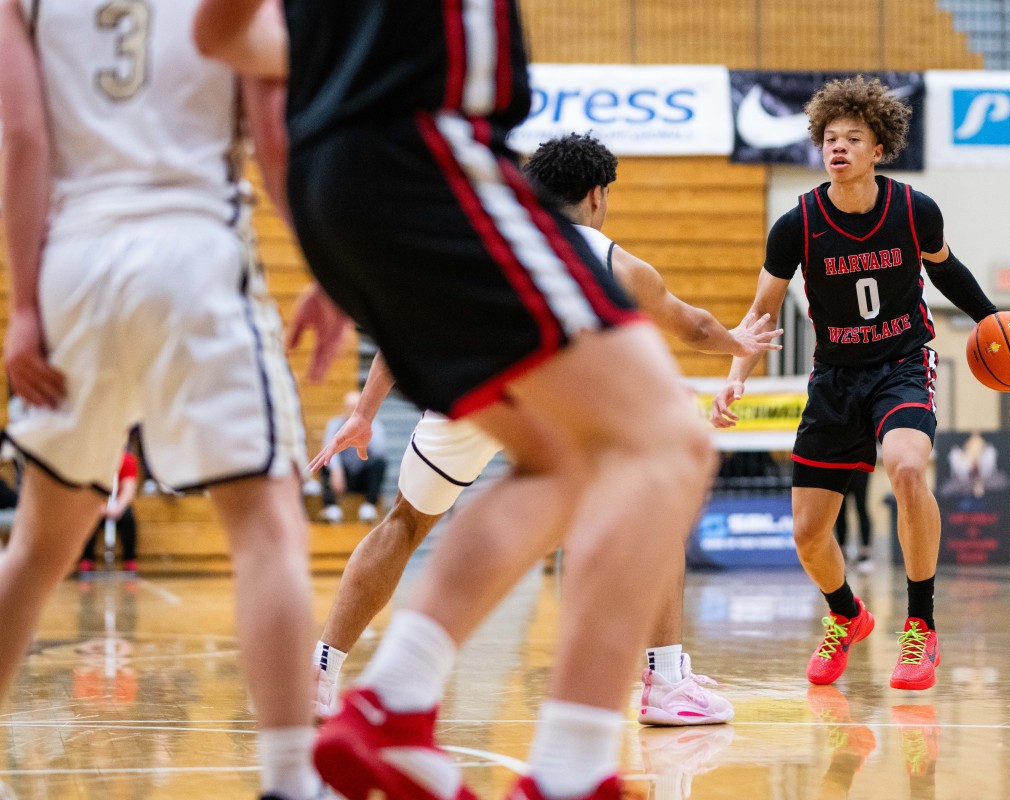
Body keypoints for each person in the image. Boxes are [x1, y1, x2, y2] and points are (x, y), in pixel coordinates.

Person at [194, 6, 718, 800]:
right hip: (432, 160)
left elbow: (223, 38)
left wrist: (330, 242)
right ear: (600, 195)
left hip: (338, 182)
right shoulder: (597, 237)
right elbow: (691, 326)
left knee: (566, 459)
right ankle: (565, 763)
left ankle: (394, 705)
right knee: (665, 444)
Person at [309, 133, 779, 725]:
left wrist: (363, 413)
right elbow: (692, 325)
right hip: (552, 402)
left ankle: (320, 673)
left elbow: (405, 327)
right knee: (657, 505)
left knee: (403, 525)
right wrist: (738, 342)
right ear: (596, 194)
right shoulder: (609, 258)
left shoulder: (481, 245)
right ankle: (664, 683)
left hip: (470, 398)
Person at [0, 3, 325, 799]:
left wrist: (26, 308)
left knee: (39, 547)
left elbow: (22, 140)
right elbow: (274, 136)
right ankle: (291, 781)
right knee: (267, 528)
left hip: (75, 264)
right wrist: (331, 262)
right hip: (196, 252)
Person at [711, 75, 1000, 692]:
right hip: (835, 378)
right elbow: (760, 313)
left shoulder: (914, 210)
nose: (837, 147)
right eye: (829, 138)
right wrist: (735, 374)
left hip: (901, 366)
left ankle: (919, 626)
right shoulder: (797, 224)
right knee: (808, 533)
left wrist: (993, 320)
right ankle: (848, 616)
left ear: (879, 149)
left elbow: (949, 272)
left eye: (853, 137)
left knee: (908, 468)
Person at [318, 391, 388, 523]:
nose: (351, 411)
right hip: (343, 476)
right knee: (325, 462)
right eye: (349, 407)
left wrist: (363, 432)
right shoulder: (335, 424)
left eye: (355, 407)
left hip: (363, 476)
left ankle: (369, 505)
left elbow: (379, 452)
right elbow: (328, 449)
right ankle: (331, 506)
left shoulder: (375, 425)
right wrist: (337, 470)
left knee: (380, 463)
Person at [78, 449, 140, 574]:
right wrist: (99, 507)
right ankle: (86, 559)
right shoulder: (93, 459)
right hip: (96, 503)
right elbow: (87, 486)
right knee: (88, 517)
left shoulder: (127, 460)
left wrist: (119, 507)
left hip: (117, 504)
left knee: (128, 516)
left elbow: (129, 488)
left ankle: (130, 559)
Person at [834, 469, 874, 571]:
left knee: (861, 507)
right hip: (841, 467)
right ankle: (842, 551)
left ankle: (865, 552)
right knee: (839, 509)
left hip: (860, 466)